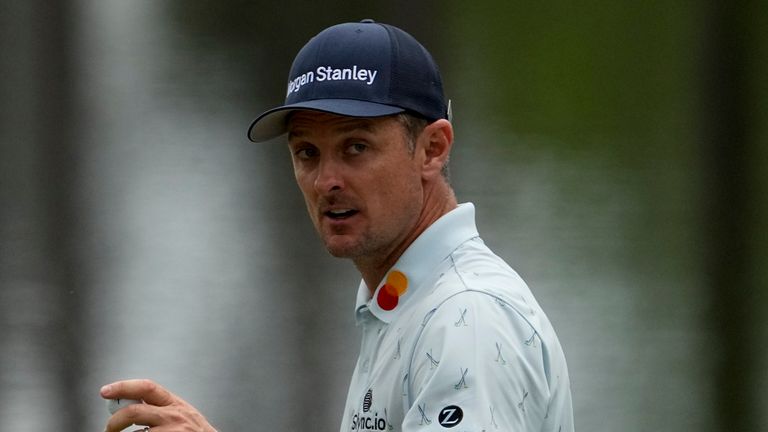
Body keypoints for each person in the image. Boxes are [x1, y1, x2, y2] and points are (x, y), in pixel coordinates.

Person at [101, 19, 574, 432]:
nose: (326, 181)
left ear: (432, 149)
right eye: (307, 152)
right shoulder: (406, 303)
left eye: (356, 148)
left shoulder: (466, 318)